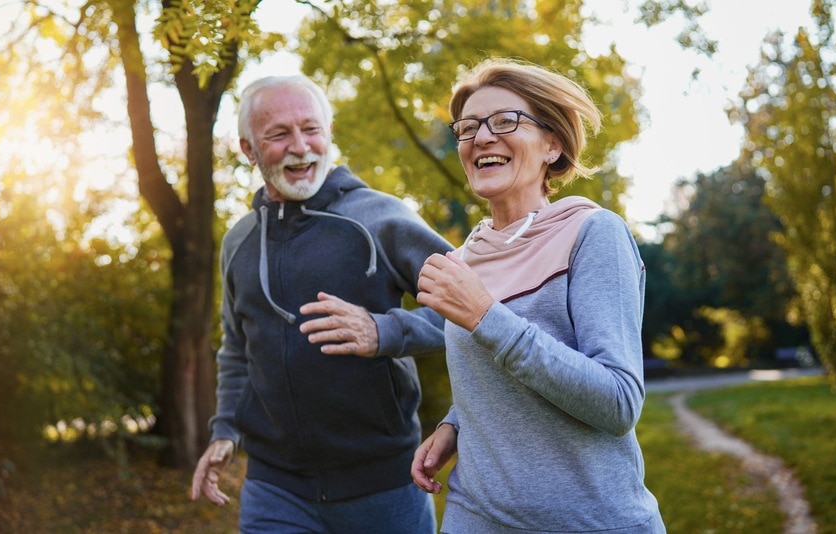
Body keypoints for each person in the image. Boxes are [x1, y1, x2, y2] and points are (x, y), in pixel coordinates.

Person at [411, 58, 666, 533]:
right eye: (467, 128)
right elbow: (495, 375)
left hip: (590, 521)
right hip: (476, 517)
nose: (481, 138)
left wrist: (487, 316)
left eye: (505, 121)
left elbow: (618, 402)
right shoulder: (465, 257)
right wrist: (456, 424)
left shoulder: (593, 234)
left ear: (553, 144)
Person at [190, 74, 451, 534]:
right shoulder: (239, 242)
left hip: (384, 486)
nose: (300, 146)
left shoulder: (381, 217)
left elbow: (474, 310)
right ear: (248, 150)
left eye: (311, 129)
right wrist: (225, 429)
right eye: (279, 134)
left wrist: (386, 331)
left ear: (328, 134)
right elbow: (236, 349)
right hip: (275, 489)